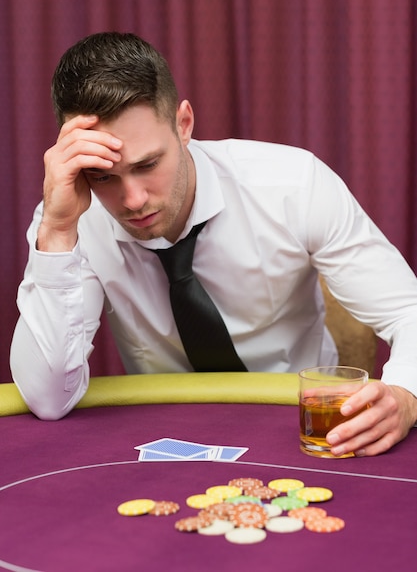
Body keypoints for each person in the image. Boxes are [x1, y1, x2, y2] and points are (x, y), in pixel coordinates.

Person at [10, 32, 417, 457]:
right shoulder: (71, 219)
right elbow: (49, 399)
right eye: (103, 176)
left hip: (303, 427)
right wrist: (57, 232)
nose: (132, 200)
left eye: (148, 164)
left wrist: (407, 392)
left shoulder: (293, 184)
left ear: (183, 125)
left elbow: (409, 312)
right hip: (163, 437)